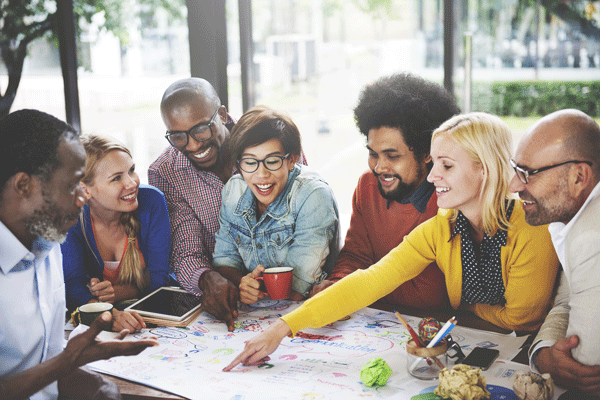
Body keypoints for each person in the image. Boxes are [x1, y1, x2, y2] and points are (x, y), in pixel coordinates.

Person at [224, 112, 560, 371]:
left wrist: (465, 308)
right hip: (477, 343)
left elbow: (521, 318)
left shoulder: (531, 225)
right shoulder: (443, 226)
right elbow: (373, 279)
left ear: (484, 170)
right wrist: (282, 328)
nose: (432, 176)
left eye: (446, 165)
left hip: (526, 356)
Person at [0, 109, 157, 400]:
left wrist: (97, 386)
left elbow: (46, 365)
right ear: (23, 185)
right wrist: (67, 362)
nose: (84, 198)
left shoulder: (47, 246)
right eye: (73, 184)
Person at [149, 77, 306, 331]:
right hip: (229, 298)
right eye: (178, 137)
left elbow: (307, 213)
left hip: (294, 287)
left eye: (201, 129)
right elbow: (186, 251)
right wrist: (207, 279)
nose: (193, 145)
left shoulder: (272, 135)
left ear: (221, 115)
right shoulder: (166, 171)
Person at [310, 72, 459, 310]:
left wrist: (357, 289)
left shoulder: (450, 199)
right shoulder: (367, 188)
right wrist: (338, 283)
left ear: (427, 153)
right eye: (372, 154)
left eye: (392, 156)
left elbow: (439, 294)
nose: (379, 167)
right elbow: (356, 256)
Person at [509, 109, 600, 396]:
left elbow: (584, 367)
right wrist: (544, 353)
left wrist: (547, 361)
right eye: (515, 170)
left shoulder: (591, 234)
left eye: (527, 174)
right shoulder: (571, 219)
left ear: (578, 176)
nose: (514, 186)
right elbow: (567, 299)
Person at [212, 106, 340, 303]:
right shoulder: (233, 191)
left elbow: (298, 286)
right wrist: (244, 284)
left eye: (272, 161)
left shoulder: (312, 195)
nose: (261, 174)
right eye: (249, 162)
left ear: (292, 160)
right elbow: (224, 262)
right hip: (257, 312)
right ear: (238, 165)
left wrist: (252, 288)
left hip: (306, 309)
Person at [62, 134, 172, 333]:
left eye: (131, 170)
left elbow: (159, 278)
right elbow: (72, 287)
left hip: (153, 315)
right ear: (85, 190)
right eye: (116, 178)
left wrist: (116, 293)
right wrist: (110, 315)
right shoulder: (71, 217)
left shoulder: (153, 201)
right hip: (103, 322)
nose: (132, 183)